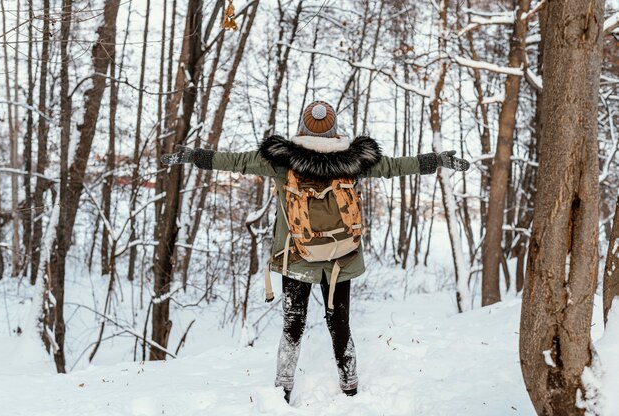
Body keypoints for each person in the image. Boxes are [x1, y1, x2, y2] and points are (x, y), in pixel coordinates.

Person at [161, 100, 470, 404]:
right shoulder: (355, 161)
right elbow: (395, 167)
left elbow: (235, 161)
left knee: (292, 323)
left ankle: (282, 389)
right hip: (340, 256)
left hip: (296, 255)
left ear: (302, 127)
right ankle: (349, 386)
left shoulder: (281, 161)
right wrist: (436, 160)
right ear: (334, 130)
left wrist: (194, 156)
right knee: (340, 323)